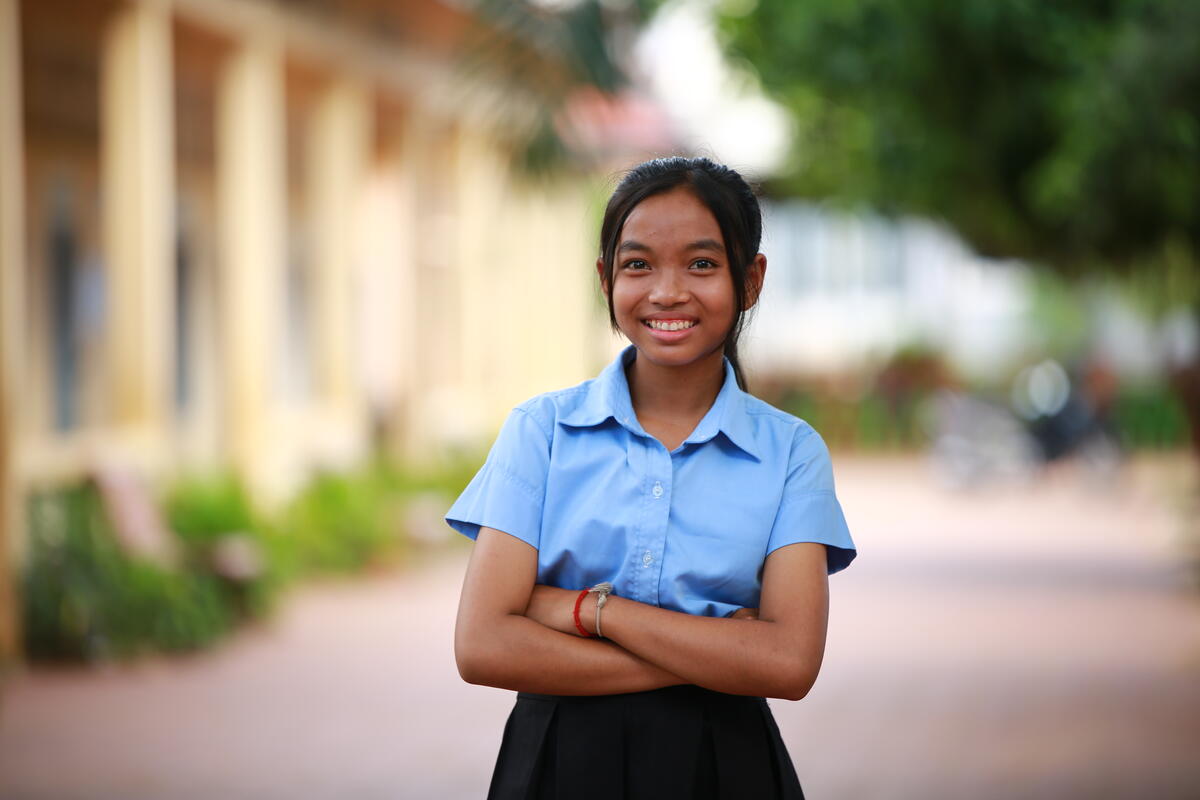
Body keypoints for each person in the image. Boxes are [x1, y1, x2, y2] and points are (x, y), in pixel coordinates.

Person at [446, 156, 856, 800]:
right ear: (605, 278)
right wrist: (718, 654)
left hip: (726, 770)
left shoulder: (792, 453)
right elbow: (484, 646)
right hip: (557, 767)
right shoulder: (541, 432)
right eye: (639, 264)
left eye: (701, 264)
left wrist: (585, 610)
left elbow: (789, 664)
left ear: (751, 280)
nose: (668, 291)